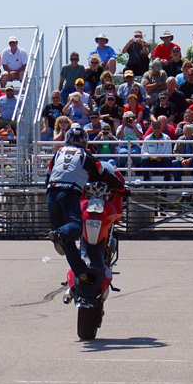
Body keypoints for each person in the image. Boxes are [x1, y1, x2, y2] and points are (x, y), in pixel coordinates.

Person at [45, 123, 126, 290]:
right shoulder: (85, 155)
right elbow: (104, 173)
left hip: (51, 193)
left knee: (68, 243)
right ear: (84, 142)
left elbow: (49, 173)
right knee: (76, 226)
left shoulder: (58, 153)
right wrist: (122, 189)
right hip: (69, 193)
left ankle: (81, 271)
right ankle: (59, 234)